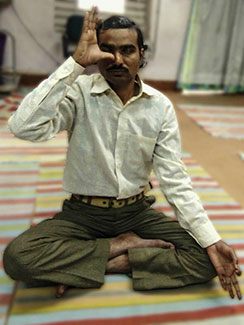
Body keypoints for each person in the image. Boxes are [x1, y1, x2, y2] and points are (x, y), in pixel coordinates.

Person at [3, 7, 242, 300]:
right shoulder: (79, 92)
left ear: (141, 55)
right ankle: (117, 247)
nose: (117, 59)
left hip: (136, 213)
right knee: (18, 257)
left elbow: (175, 180)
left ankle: (105, 262)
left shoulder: (159, 106)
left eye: (127, 50)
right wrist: (75, 64)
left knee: (208, 258)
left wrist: (211, 239)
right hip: (83, 215)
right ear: (96, 54)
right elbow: (23, 127)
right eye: (107, 50)